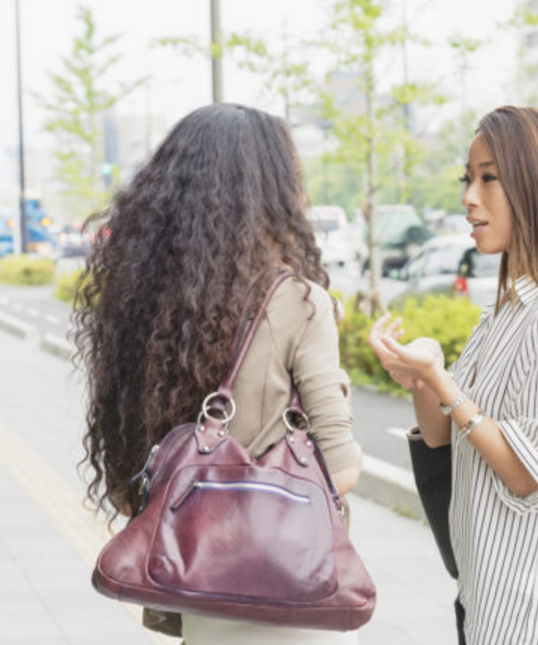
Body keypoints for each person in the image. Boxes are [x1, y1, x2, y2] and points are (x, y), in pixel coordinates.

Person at [74, 103, 363, 645]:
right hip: (290, 594)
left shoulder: (146, 307)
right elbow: (339, 472)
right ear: (272, 191)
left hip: (201, 596)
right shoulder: (298, 302)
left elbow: (131, 482)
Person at [368, 106, 538, 644]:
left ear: (537, 186)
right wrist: (424, 372)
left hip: (535, 612)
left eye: (488, 177)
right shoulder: (508, 307)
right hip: (487, 596)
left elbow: (527, 473)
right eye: (467, 178)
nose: (468, 197)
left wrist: (445, 381)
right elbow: (440, 435)